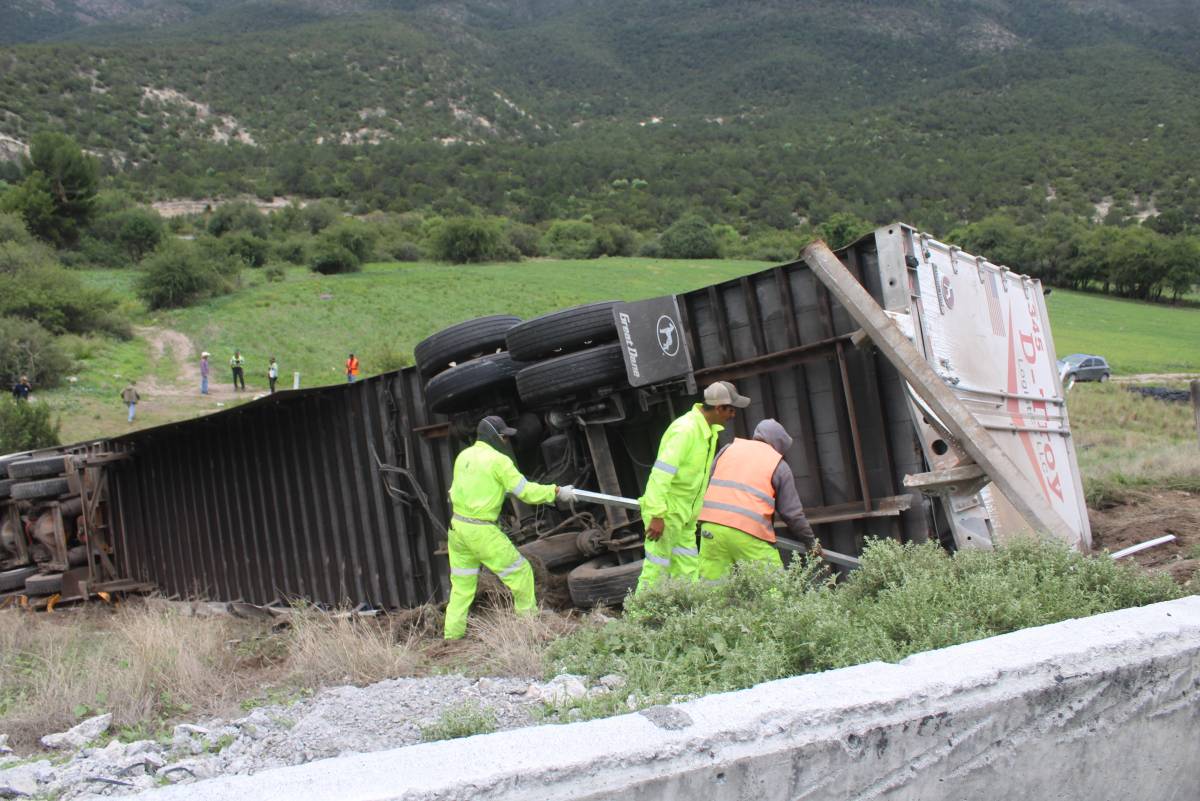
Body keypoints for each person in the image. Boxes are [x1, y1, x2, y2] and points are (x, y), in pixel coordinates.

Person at [444, 415, 577, 640]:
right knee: (521, 573)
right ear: (493, 437)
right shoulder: (499, 461)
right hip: (481, 531)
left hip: (458, 529)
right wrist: (556, 491)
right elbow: (526, 492)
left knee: (462, 587)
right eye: (503, 436)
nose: (506, 441)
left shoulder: (464, 456)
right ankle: (528, 629)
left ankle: (451, 637)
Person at [635, 380, 750, 593]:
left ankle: (689, 611)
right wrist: (657, 515)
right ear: (719, 408)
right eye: (731, 410)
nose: (733, 415)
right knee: (655, 572)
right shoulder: (686, 430)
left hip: (685, 515)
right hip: (668, 514)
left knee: (687, 571)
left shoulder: (707, 431)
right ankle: (639, 613)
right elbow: (660, 475)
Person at [697, 418, 819, 582]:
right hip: (748, 532)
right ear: (779, 445)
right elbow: (792, 514)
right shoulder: (778, 465)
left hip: (711, 528)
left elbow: (708, 485)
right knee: (773, 589)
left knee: (713, 590)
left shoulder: (728, 449)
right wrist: (811, 543)